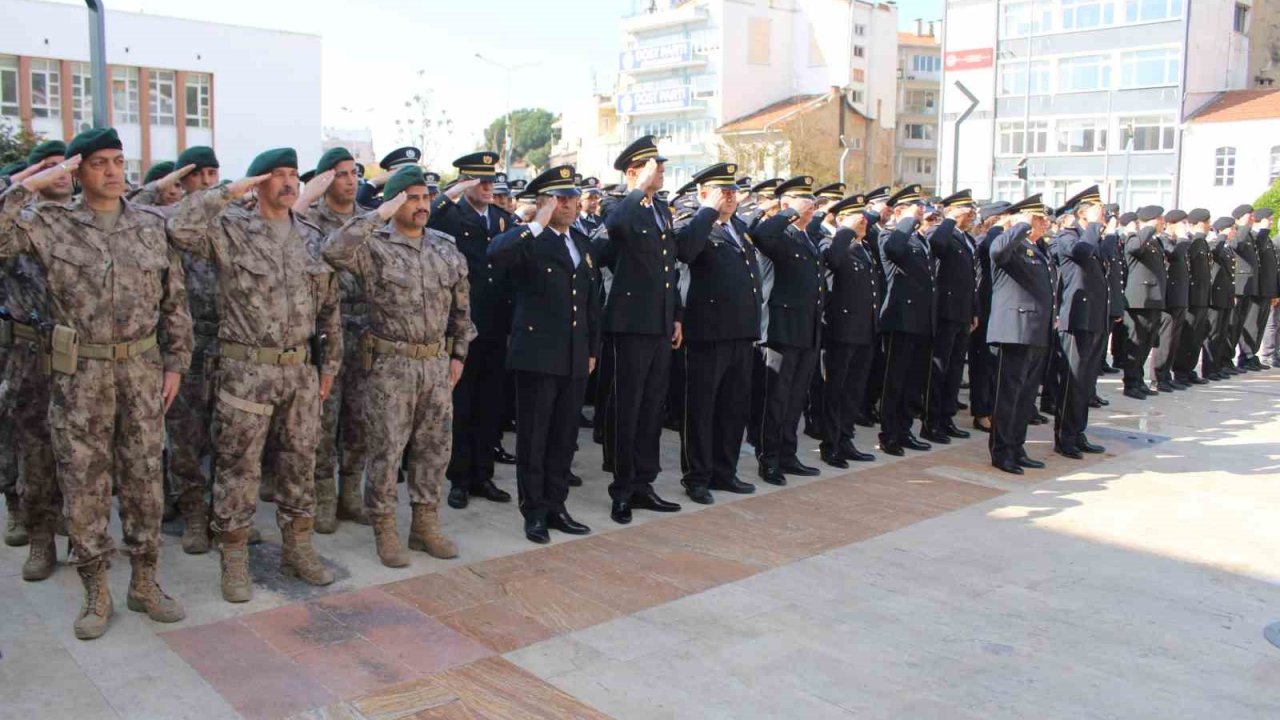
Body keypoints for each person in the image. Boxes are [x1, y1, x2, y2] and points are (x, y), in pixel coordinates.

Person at [0, 128, 193, 639]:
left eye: (118, 161)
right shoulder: (49, 223)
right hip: (80, 372)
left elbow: (174, 301)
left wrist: (175, 364)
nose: (112, 172)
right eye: (99, 163)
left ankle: (145, 582)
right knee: (84, 483)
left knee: (145, 480)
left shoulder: (151, 225)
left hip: (141, 370)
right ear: (78, 171)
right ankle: (96, 589)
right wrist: (35, 182)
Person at [168, 147, 340, 603]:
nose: (288, 183)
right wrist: (228, 192)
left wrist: (329, 367)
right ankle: (234, 558)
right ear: (258, 182)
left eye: (292, 176)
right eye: (277, 175)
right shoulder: (230, 229)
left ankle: (298, 549)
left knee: (299, 464)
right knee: (238, 468)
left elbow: (329, 307)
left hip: (299, 371)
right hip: (246, 370)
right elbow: (178, 227)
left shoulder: (309, 235)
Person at [323, 165, 473, 565]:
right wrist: (378, 214)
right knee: (386, 452)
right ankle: (385, 529)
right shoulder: (373, 247)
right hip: (390, 365)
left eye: (425, 197)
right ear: (394, 201)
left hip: (435, 365)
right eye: (411, 197)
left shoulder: (444, 246)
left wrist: (458, 354)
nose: (421, 205)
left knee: (434, 449)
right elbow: (332, 250)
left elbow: (461, 307)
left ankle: (424, 525)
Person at [487, 165, 601, 542]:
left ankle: (557, 504)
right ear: (544, 203)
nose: (571, 204)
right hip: (537, 354)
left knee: (564, 435)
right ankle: (533, 511)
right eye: (562, 198)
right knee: (534, 438)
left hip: (573, 355)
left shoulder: (581, 244)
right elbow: (496, 255)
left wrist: (592, 349)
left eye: (572, 198)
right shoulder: (529, 239)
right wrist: (536, 223)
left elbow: (590, 303)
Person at [597, 135, 683, 524]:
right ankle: (622, 488)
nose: (662, 172)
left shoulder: (660, 209)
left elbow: (669, 269)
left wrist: (676, 315)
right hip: (630, 325)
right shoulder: (619, 204)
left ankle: (644, 483)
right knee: (627, 407)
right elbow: (614, 228)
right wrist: (637, 190)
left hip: (660, 323)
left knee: (651, 408)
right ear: (634, 171)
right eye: (655, 167)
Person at [0, 141, 74, 580]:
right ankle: (41, 538)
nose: (61, 173)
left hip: (84, 356)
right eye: (50, 167)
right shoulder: (18, 226)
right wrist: (23, 187)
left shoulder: (88, 219)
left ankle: (77, 527)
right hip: (31, 355)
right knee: (36, 452)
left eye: (66, 165)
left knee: (84, 454)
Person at [428, 152, 516, 511]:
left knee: (489, 405)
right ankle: (459, 478)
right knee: (461, 406)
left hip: (496, 324)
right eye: (478, 180)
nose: (486, 186)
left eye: (490, 180)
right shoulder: (450, 215)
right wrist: (453, 192)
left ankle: (483, 474)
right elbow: (428, 216)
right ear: (464, 182)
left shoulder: (502, 219)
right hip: (463, 326)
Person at [673, 162, 762, 503]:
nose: (730, 196)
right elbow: (685, 251)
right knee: (701, 409)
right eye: (722, 191)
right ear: (702, 193)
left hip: (741, 333)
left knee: (733, 408)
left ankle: (725, 471)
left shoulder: (739, 227)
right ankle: (697, 476)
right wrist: (707, 210)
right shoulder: (695, 224)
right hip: (708, 333)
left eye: (733, 191)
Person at [294, 147, 370, 531]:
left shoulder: (369, 219)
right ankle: (323, 495)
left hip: (365, 328)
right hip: (326, 329)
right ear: (325, 179)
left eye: (354, 172)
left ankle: (351, 494)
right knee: (323, 420)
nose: (351, 179)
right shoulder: (309, 218)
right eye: (342, 173)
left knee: (360, 418)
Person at [750, 176, 827, 483]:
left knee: (795, 397)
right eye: (802, 198)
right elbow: (760, 234)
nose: (810, 203)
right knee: (776, 398)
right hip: (781, 330)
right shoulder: (779, 233)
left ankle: (787, 453)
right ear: (786, 204)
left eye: (810, 199)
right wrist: (786, 212)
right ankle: (768, 458)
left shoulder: (808, 237)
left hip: (807, 329)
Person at [987, 194, 1054, 475]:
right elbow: (998, 252)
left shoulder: (1036, 249)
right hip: (1013, 330)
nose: (1044, 223)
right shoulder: (1009, 243)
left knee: (1026, 396)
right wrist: (1020, 225)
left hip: (1036, 330)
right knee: (1009, 395)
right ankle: (1002, 452)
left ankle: (1017, 446)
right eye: (1038, 218)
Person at [876, 184, 939, 456]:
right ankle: (889, 434)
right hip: (900, 319)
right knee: (895, 381)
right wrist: (906, 220)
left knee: (912, 381)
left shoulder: (918, 238)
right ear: (899, 210)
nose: (921, 212)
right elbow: (894, 250)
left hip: (920, 319)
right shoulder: (891, 235)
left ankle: (905, 430)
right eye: (916, 207)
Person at [816, 193, 878, 468]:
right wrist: (845, 230)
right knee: (836, 390)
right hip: (841, 330)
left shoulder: (861, 246)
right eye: (857, 215)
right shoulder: (832, 244)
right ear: (841, 219)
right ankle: (831, 445)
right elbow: (833, 261)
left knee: (853, 391)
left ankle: (846, 438)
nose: (864, 220)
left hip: (864, 329)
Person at [1049, 186, 1107, 459]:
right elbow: (1081, 254)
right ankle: (1064, 436)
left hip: (1092, 317)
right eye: (1096, 209)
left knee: (1085, 381)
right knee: (1072, 381)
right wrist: (1094, 225)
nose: (1103, 213)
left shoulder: (1090, 237)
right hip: (1075, 318)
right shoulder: (1066, 237)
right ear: (1082, 212)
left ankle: (1078, 431)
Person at [921, 189, 978, 445]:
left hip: (962, 313)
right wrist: (950, 219)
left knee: (954, 370)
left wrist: (973, 311)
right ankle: (931, 422)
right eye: (967, 211)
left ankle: (946, 418)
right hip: (944, 312)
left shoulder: (966, 238)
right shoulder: (939, 231)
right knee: (939, 370)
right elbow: (937, 247)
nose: (972, 215)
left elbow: (970, 280)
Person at [969, 201, 1010, 433]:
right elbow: (990, 250)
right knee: (983, 363)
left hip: (998, 307)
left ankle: (992, 408)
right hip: (985, 307)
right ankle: (981, 411)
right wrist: (1001, 228)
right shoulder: (986, 240)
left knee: (995, 364)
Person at [1121, 206, 1168, 399]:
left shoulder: (1154, 242)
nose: (1162, 222)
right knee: (1135, 343)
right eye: (1160, 219)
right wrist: (1147, 227)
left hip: (1153, 299)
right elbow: (1134, 248)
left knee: (1146, 343)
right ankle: (1130, 383)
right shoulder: (1135, 238)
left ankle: (1139, 381)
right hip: (1138, 300)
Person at [1153, 209, 1191, 392]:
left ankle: (1166, 374)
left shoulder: (1178, 242)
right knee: (1165, 339)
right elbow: (1174, 256)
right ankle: (1158, 376)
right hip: (1169, 297)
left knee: (1174, 340)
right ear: (1172, 223)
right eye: (1182, 223)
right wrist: (1183, 239)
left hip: (1180, 296)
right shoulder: (1163, 240)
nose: (1185, 227)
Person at [1204, 217, 1239, 380]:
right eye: (1232, 229)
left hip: (1225, 295)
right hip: (1215, 296)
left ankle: (1217, 366)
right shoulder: (1215, 244)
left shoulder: (1226, 247)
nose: (1234, 232)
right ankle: (1209, 368)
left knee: (1222, 333)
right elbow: (1215, 253)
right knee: (1214, 333)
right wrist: (1222, 236)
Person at [1241, 207, 1275, 370]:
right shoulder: (1255, 236)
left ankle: (1252, 354)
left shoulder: (1265, 237)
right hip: (1257, 288)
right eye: (1269, 218)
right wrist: (1263, 230)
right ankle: (1246, 356)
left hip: (1266, 288)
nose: (1271, 222)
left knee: (1260, 324)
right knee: (1251, 323)